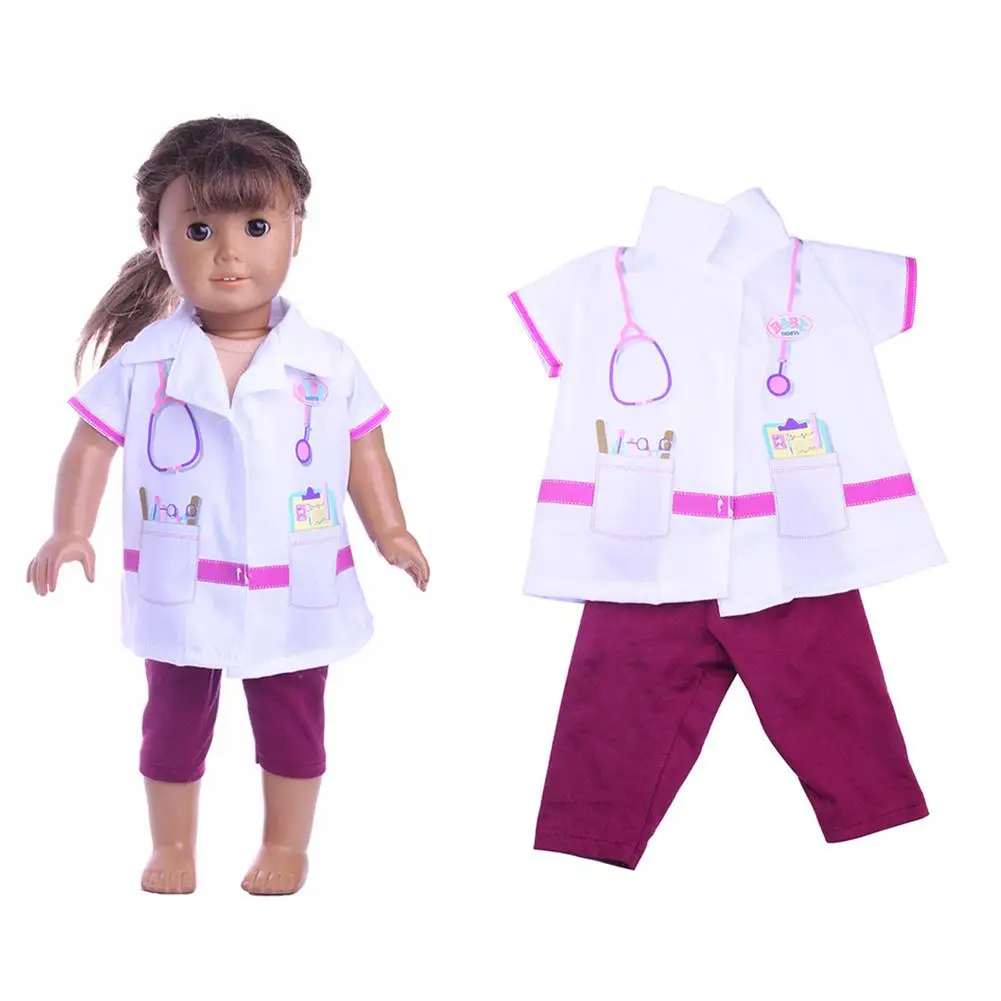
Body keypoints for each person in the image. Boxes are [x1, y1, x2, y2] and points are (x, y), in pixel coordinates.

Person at [26, 117, 429, 895]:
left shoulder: (327, 362)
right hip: (183, 584)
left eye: (256, 226)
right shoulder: (144, 362)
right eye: (200, 229)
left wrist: (392, 529)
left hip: (293, 583)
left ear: (296, 231)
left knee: (294, 720)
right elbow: (89, 447)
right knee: (171, 724)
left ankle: (286, 843)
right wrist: (68, 530)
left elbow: (365, 450)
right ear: (158, 240)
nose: (229, 253)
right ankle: (172, 842)